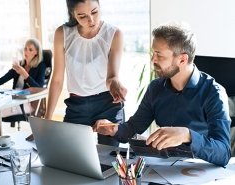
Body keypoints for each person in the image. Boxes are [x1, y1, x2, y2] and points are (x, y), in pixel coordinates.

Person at [94, 22, 231, 166]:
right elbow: (133, 128)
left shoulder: (214, 93)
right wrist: (114, 129)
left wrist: (187, 135)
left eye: (159, 55)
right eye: (153, 53)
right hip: (162, 168)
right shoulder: (155, 88)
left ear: (182, 60)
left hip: (198, 170)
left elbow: (223, 153)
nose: (153, 60)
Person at [45, 0, 127, 146]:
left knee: (109, 162)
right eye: (83, 16)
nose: (91, 20)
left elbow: (112, 76)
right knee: (71, 159)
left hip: (108, 103)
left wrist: (116, 84)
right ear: (73, 14)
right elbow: (57, 79)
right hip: (77, 105)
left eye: (94, 12)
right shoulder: (62, 34)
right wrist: (47, 119)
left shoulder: (114, 34)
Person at [0, 38, 46, 140]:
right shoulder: (20, 65)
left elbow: (38, 88)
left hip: (28, 103)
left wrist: (24, 74)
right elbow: (2, 80)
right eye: (25, 48)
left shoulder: (41, 66)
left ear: (36, 52)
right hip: (14, 99)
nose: (26, 51)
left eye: (30, 49)